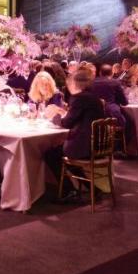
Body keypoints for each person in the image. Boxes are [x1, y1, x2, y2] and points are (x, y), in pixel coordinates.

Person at [44, 70, 105, 201]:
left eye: (69, 84)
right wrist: (63, 112)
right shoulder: (93, 97)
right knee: (61, 155)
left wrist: (55, 115)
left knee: (50, 154)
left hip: (84, 146)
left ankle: (68, 191)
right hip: (98, 145)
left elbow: (66, 123)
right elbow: (79, 117)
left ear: (75, 84)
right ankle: (92, 188)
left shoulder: (79, 98)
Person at [89, 64, 128, 128]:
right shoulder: (115, 83)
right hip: (111, 115)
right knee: (129, 121)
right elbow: (124, 102)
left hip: (93, 115)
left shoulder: (91, 82)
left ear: (100, 73)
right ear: (112, 73)